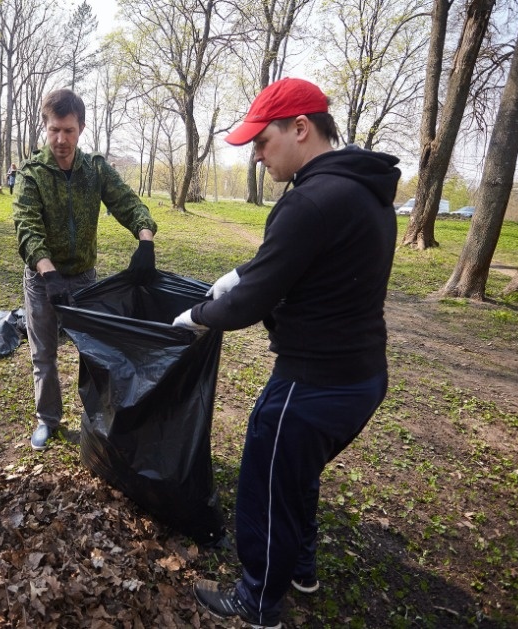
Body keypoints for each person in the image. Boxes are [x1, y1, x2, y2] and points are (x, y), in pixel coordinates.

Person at [173, 78, 400, 628]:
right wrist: (239, 272)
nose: (257, 154)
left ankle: (257, 603)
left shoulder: (310, 201)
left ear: (300, 128)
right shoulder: (364, 191)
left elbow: (253, 301)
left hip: (313, 382)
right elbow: (296, 262)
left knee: (267, 483)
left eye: (262, 141)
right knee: (298, 473)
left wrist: (197, 315)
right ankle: (300, 567)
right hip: (363, 376)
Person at [13, 88, 158, 451]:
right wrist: (48, 272)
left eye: (69, 131)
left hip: (84, 279)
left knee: (94, 352)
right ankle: (47, 419)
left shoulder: (95, 169)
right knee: (44, 354)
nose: (61, 140)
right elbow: (27, 228)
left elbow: (128, 203)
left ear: (81, 128)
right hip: (42, 280)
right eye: (54, 130)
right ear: (45, 127)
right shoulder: (32, 174)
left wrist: (145, 240)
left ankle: (98, 419)